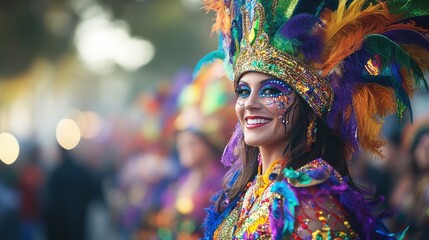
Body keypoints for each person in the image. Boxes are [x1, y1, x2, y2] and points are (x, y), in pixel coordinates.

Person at [197, 0, 429, 239]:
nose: (250, 104)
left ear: (309, 107)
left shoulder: (312, 200)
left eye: (272, 91)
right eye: (244, 91)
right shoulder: (245, 191)